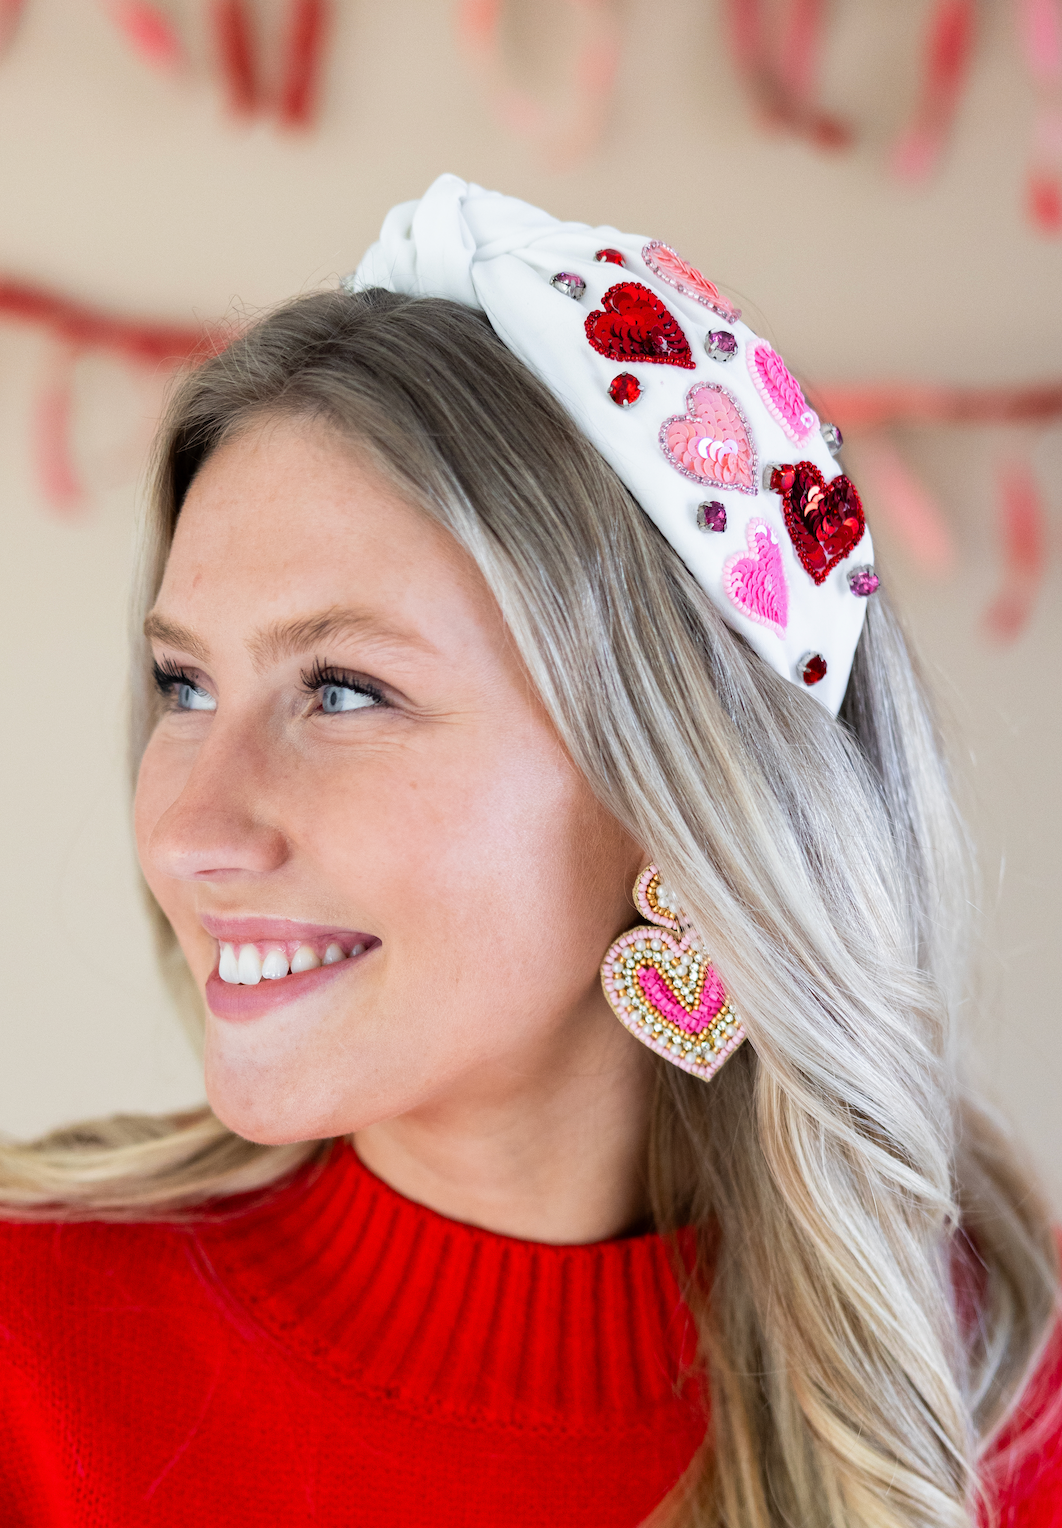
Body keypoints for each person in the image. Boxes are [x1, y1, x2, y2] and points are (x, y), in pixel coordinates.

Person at [1, 175, 1059, 1528]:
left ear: (679, 791)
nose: (191, 832)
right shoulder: (28, 1351)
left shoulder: (1011, 1404)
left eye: (341, 691)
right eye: (184, 686)